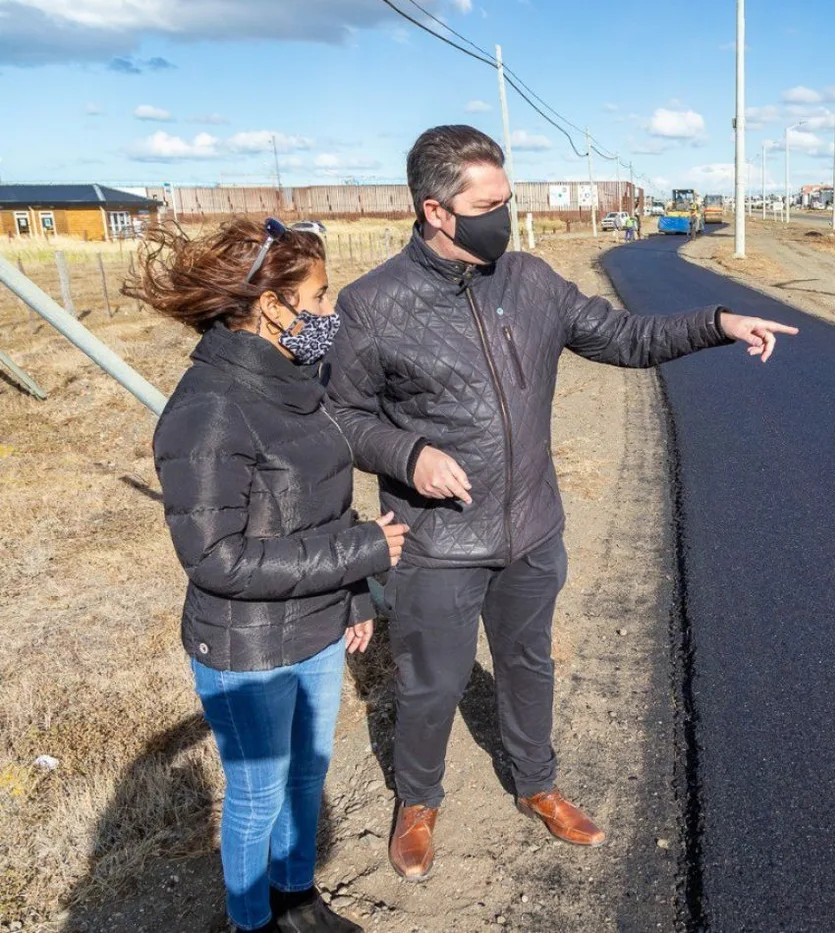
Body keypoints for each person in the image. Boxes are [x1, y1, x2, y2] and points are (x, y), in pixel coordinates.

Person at [323, 125, 797, 882]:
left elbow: (625, 336)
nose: (503, 218)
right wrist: (410, 454)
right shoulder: (370, 304)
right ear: (435, 212)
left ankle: (537, 784)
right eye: (488, 205)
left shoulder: (532, 281)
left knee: (527, 662)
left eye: (508, 200)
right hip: (437, 543)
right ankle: (418, 800)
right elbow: (341, 417)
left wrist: (716, 323)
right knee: (431, 682)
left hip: (532, 529)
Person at [134, 218, 409, 933]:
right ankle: (250, 920)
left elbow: (325, 504)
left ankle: (297, 901)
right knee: (257, 795)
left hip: (316, 626)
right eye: (317, 299)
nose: (330, 315)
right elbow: (216, 559)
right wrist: (364, 554)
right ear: (268, 305)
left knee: (307, 779)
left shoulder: (298, 382)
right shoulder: (206, 411)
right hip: (246, 647)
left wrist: (352, 597)